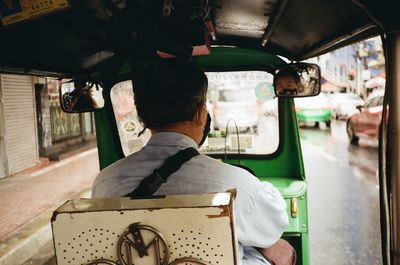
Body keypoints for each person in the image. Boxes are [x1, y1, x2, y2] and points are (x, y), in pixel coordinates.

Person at [92, 58, 295, 265]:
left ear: (142, 117)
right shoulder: (235, 183)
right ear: (201, 114)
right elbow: (273, 226)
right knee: (278, 250)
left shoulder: (104, 182)